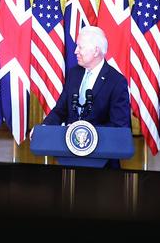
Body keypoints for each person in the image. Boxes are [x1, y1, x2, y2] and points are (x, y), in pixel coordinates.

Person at [41, 25, 131, 168]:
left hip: (103, 165)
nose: (75, 51)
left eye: (80, 47)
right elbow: (61, 110)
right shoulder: (73, 74)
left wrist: (84, 131)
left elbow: (119, 125)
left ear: (95, 51)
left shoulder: (116, 81)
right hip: (70, 159)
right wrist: (44, 127)